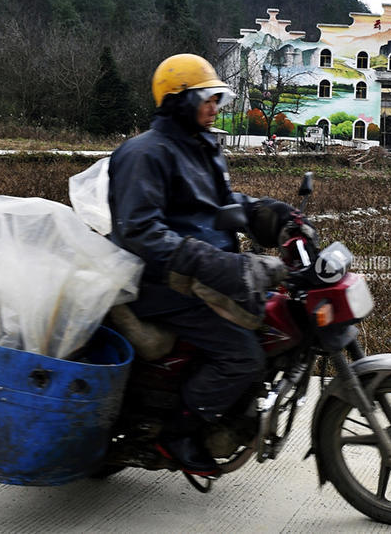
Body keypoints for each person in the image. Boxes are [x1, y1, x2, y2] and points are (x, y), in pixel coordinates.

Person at [107, 53, 297, 477]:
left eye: (216, 98)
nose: (214, 106)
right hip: (159, 284)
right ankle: (177, 435)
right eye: (205, 98)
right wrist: (216, 264)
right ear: (177, 101)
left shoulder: (200, 145)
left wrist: (274, 215)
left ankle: (230, 417)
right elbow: (140, 231)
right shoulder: (145, 153)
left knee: (276, 325)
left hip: (201, 276)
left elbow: (221, 207)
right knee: (242, 356)